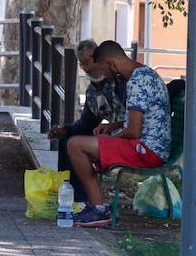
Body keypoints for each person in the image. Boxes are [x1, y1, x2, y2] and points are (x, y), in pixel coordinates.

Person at [65, 40, 171, 227]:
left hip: (147, 150)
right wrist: (113, 126)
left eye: (105, 72)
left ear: (111, 64)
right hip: (151, 146)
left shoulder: (136, 82)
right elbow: (137, 121)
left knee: (75, 145)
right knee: (85, 143)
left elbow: (133, 131)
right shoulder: (144, 74)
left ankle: (98, 210)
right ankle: (97, 207)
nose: (106, 76)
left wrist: (109, 139)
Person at [47, 39, 127, 203]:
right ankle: (73, 198)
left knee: (75, 145)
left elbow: (136, 119)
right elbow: (87, 124)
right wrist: (65, 130)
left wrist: (113, 126)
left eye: (92, 59)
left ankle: (87, 202)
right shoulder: (92, 91)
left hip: (129, 137)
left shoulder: (121, 82)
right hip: (112, 136)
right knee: (66, 140)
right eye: (84, 63)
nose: (90, 65)